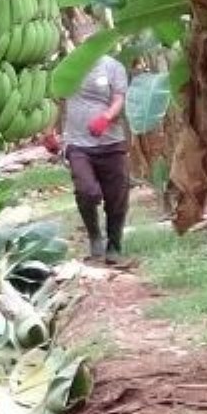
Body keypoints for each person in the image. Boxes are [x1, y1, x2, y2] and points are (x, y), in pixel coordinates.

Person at [44, 52, 129, 263]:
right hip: (78, 144)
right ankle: (94, 235)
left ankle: (114, 245)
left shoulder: (113, 67)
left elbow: (119, 98)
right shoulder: (70, 66)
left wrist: (106, 118)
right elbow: (57, 101)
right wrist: (48, 131)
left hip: (111, 143)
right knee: (86, 190)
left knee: (117, 197)